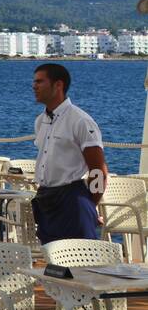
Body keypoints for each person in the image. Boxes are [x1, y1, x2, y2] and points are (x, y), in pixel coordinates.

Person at [31, 63, 108, 244]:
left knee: (82, 266)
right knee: (54, 268)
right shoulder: (40, 121)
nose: (34, 86)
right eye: (34, 82)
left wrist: (90, 205)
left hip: (73, 200)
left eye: (40, 82)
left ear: (58, 85)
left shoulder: (80, 121)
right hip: (46, 200)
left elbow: (98, 171)